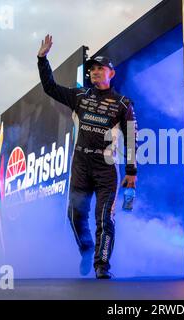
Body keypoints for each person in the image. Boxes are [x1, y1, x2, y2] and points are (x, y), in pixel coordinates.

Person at [37, 34, 138, 279]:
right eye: (92, 69)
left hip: (106, 166)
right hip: (80, 164)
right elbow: (49, 87)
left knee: (104, 218)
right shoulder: (79, 96)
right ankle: (86, 248)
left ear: (110, 73)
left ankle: (102, 266)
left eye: (100, 68)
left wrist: (132, 172)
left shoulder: (123, 104)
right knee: (75, 214)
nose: (94, 72)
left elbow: (132, 139)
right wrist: (42, 58)